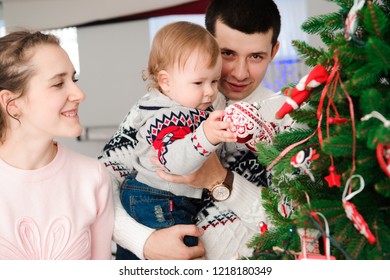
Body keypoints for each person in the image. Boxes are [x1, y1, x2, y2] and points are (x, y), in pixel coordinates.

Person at [99, 0, 295, 260]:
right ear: (208, 44)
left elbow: (298, 223)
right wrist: (144, 242)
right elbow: (101, 184)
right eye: (227, 54)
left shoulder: (289, 121)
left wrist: (222, 181)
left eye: (256, 56)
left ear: (274, 51)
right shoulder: (161, 105)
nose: (239, 72)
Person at [118, 21, 237, 253]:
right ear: (166, 82)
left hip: (167, 199)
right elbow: (175, 164)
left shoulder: (191, 108)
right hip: (157, 199)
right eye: (198, 82)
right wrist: (207, 136)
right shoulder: (165, 117)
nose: (210, 91)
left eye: (214, 81)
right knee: (182, 257)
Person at [0, 30, 114, 260]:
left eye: (74, 80)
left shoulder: (93, 177)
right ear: (12, 104)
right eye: (58, 84)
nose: (79, 94)